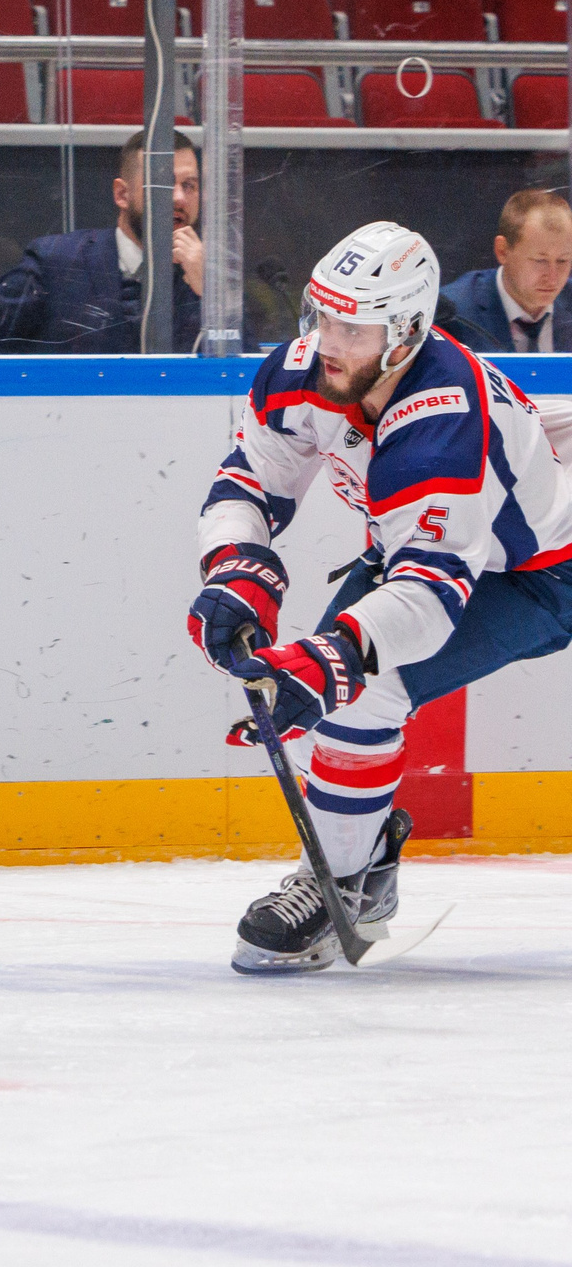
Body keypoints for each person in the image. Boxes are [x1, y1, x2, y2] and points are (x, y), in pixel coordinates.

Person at [186, 221, 572, 974]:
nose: (328, 339)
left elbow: (428, 595)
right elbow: (248, 482)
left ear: (404, 334)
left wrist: (335, 656)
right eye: (322, 314)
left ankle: (342, 881)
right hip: (426, 556)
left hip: (540, 574)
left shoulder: (442, 414)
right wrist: (235, 568)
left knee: (364, 685)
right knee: (344, 684)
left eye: (353, 326)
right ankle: (354, 868)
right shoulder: (305, 371)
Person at [0, 129, 205, 353]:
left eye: (189, 186)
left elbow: (240, 372)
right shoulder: (54, 263)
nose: (179, 198)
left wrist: (208, 290)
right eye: (163, 184)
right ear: (122, 194)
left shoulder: (211, 279)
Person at [440, 188, 572, 353]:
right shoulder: (453, 314)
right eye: (540, 261)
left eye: (562, 261)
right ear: (502, 251)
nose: (553, 278)